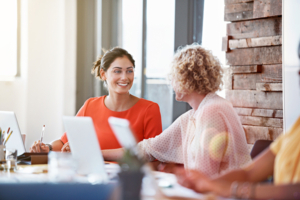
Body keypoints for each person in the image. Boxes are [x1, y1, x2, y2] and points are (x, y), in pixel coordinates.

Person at [102, 44, 251, 176]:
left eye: (174, 77)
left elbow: (205, 176)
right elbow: (147, 149)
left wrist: (175, 173)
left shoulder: (211, 110)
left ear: (187, 78)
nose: (171, 83)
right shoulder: (193, 115)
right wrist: (99, 154)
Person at [175, 43, 300, 199]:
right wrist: (205, 184)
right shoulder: (297, 128)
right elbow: (249, 173)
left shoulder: (211, 109)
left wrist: (233, 190)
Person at [30, 47, 162, 152]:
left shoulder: (149, 109)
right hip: (94, 178)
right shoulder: (90, 105)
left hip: (128, 181)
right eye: (117, 71)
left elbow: (155, 160)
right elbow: (64, 142)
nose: (125, 77)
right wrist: (48, 148)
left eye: (129, 71)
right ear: (103, 74)